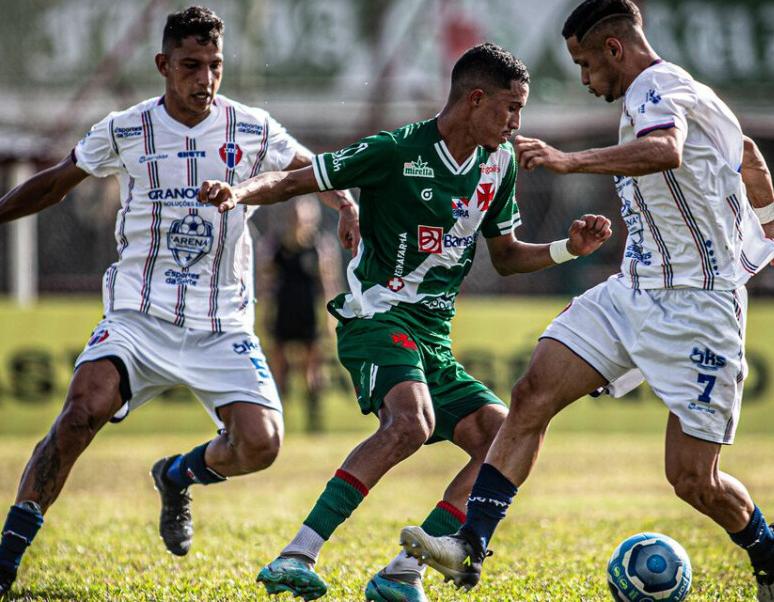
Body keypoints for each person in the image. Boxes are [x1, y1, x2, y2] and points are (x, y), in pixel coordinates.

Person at [0, 6, 359, 598]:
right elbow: (56, 182)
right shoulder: (126, 129)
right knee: (80, 412)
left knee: (262, 444)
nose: (205, 79)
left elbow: (310, 169)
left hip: (221, 324)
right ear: (163, 65)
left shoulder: (252, 127)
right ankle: (3, 568)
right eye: (191, 65)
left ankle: (176, 475)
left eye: (214, 66)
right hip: (138, 315)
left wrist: (347, 204)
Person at [399, 0, 774, 602]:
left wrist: (567, 161)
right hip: (633, 290)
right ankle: (470, 544)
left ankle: (769, 550)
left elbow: (665, 150)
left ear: (614, 48)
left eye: (587, 65)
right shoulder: (693, 94)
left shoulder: (655, 92)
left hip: (700, 306)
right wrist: (770, 214)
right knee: (531, 394)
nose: (586, 79)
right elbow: (745, 153)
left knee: (693, 480)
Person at [198, 42, 613, 602]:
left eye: (521, 110)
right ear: (474, 100)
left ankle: (402, 573)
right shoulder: (396, 150)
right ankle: (296, 554)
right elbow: (299, 180)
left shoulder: (500, 162)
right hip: (377, 315)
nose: (518, 123)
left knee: (503, 437)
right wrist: (238, 192)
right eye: (511, 109)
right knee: (410, 423)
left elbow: (508, 256)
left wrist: (567, 247)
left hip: (433, 339)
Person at [260, 195, 344, 432]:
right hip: (283, 311)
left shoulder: (319, 247)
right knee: (278, 370)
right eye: (295, 214)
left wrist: (330, 318)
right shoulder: (276, 245)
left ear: (312, 217)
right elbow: (267, 284)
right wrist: (265, 314)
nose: (298, 219)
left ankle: (314, 423)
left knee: (312, 372)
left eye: (303, 214)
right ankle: (276, 423)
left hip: (308, 313)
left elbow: (329, 285)